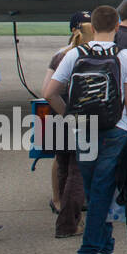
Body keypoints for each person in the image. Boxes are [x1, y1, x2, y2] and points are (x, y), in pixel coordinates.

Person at [43, 5, 127, 254]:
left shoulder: (74, 54)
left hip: (83, 129)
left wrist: (71, 116)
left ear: (93, 27)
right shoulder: (126, 56)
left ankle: (105, 248)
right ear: (117, 27)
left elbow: (49, 92)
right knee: (102, 191)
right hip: (115, 130)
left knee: (94, 189)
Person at [43, 12, 93, 236]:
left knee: (63, 166)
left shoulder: (59, 55)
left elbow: (47, 90)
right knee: (77, 171)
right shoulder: (88, 56)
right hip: (79, 119)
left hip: (57, 116)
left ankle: (63, 210)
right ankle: (70, 223)